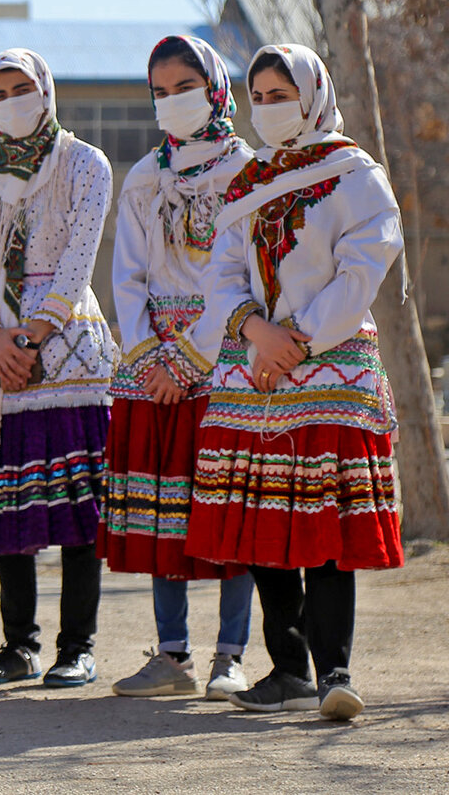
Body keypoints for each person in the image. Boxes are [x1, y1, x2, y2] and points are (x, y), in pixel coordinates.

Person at [185, 44, 404, 722]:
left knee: (326, 522)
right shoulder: (248, 179)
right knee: (262, 519)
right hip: (256, 370)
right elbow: (220, 275)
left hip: (329, 364)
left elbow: (362, 270)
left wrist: (297, 337)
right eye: (260, 96)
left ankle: (334, 667)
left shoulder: (356, 175)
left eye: (281, 94)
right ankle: (286, 668)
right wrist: (257, 331)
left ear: (313, 94)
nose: (268, 108)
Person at [0, 49, 118, 688]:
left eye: (22, 88)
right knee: (9, 508)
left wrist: (36, 332)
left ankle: (78, 647)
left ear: (45, 90)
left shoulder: (85, 163)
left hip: (68, 350)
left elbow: (79, 255)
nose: (11, 100)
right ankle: (20, 646)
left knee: (76, 509)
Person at [97, 36, 257, 701]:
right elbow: (127, 276)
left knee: (227, 508)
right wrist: (151, 356)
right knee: (165, 508)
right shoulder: (143, 176)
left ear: (216, 87)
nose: (171, 101)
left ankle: (230, 653)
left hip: (225, 360)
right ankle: (171, 652)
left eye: (184, 86)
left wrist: (191, 357)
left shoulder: (251, 170)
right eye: (159, 91)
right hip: (153, 366)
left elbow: (242, 273)